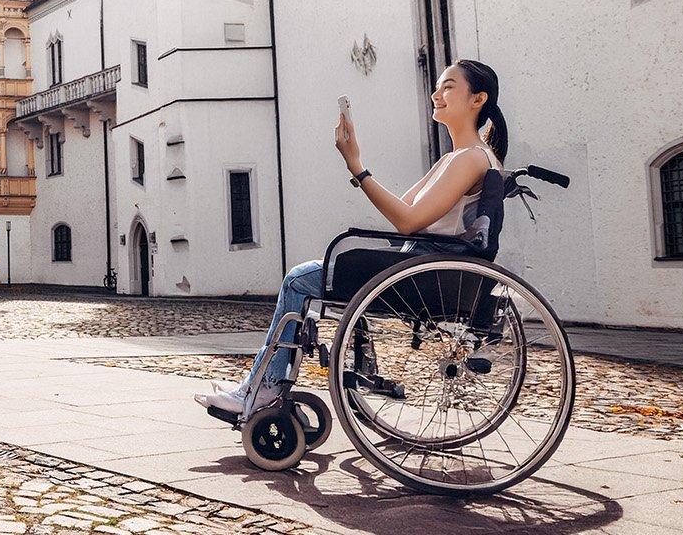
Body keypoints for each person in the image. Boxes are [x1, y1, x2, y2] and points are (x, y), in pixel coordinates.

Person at [196, 59, 509, 416]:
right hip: (426, 268)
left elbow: (406, 222)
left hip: (424, 275)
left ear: (477, 99)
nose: (437, 94)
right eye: (437, 87)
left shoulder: (469, 159)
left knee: (299, 280)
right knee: (313, 274)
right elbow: (403, 210)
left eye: (449, 87)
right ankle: (264, 385)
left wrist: (356, 167)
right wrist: (358, 161)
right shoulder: (457, 159)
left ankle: (262, 389)